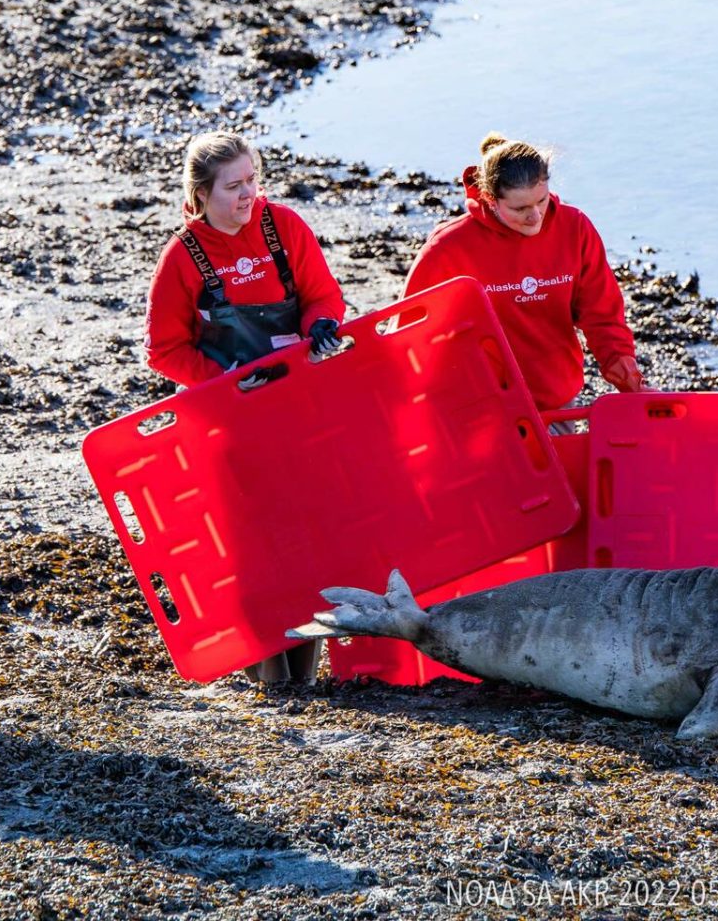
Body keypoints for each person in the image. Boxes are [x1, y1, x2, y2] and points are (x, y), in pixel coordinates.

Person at [144, 130, 346, 684]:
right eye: (233, 186)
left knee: (309, 536)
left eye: (253, 180)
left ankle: (304, 676)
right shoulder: (184, 256)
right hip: (227, 423)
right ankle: (269, 679)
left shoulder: (284, 227)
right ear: (201, 195)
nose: (248, 195)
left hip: (296, 408)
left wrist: (321, 326)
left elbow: (323, 295)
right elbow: (163, 350)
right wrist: (223, 380)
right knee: (252, 549)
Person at [405, 134, 643, 419]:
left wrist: (629, 380)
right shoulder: (448, 249)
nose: (535, 217)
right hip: (479, 408)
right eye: (520, 208)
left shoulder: (574, 229)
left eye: (541, 201)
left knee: (561, 465)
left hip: (556, 402)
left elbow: (602, 315)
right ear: (491, 200)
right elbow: (409, 333)